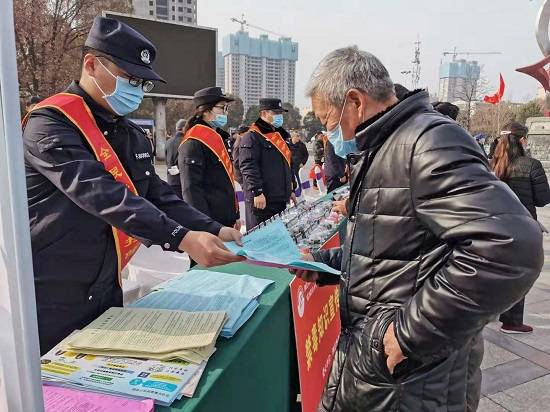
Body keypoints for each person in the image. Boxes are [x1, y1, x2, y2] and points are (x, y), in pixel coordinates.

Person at [293, 46, 542, 412]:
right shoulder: (385, 144)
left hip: (412, 379)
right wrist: (324, 261)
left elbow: (510, 245)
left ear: (355, 102)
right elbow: (397, 249)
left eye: (327, 120)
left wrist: (409, 335)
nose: (327, 133)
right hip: (387, 370)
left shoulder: (426, 142)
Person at [23, 17, 243, 354]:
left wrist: (215, 228)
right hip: (50, 291)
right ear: (92, 65)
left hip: (106, 283)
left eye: (143, 83)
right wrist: (181, 238)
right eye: (130, 79)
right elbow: (100, 193)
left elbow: (158, 195)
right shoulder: (50, 124)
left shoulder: (130, 134)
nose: (137, 91)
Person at [491, 122, 550, 334]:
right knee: (520, 273)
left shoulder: (490, 164)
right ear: (523, 140)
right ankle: (512, 321)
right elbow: (543, 199)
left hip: (493, 226)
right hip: (523, 228)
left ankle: (490, 313)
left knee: (494, 271)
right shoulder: (531, 164)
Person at [178, 87, 240, 231]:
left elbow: (226, 183)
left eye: (227, 108)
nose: (225, 112)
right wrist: (206, 228)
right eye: (222, 107)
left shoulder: (221, 138)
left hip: (225, 222)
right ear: (205, 110)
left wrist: (234, 216)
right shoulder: (193, 142)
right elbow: (191, 191)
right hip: (209, 225)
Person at [239, 98, 295, 229]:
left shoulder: (279, 136)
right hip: (262, 200)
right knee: (261, 241)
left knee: (277, 240)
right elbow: (248, 166)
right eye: (276, 113)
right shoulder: (252, 136)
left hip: (279, 199)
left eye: (281, 113)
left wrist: (290, 189)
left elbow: (288, 164)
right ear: (264, 113)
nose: (279, 117)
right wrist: (257, 192)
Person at [165, 118, 185, 198]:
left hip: (171, 178)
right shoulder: (185, 141)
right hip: (182, 179)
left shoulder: (168, 141)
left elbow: (166, 160)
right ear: (184, 128)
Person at [288, 129, 309, 194]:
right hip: (289, 167)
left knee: (298, 181)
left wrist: (303, 163)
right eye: (297, 136)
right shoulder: (287, 144)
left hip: (298, 167)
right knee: (290, 181)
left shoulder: (302, 145)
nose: (299, 137)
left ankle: (300, 195)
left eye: (299, 136)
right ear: (292, 137)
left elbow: (306, 155)